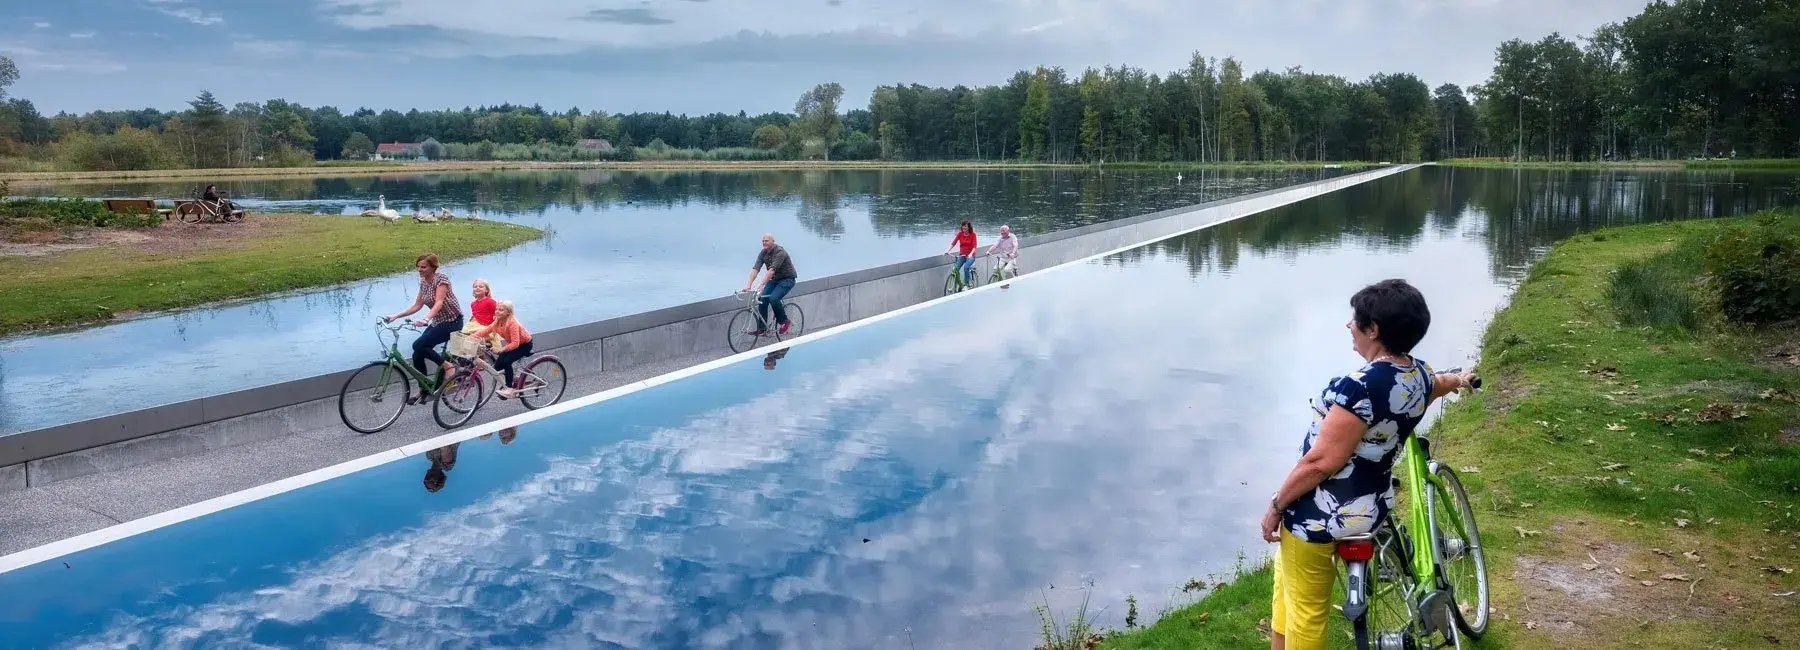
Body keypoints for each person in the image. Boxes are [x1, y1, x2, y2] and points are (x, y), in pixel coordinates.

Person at [1259, 279, 1474, 650]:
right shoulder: (1418, 375)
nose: (1349, 325)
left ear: (1373, 330)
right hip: (1371, 510)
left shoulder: (1358, 387)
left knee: (1307, 613)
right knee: (1285, 577)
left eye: (1355, 320)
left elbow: (1320, 463)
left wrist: (1276, 507)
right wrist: (1460, 379)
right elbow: (1440, 383)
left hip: (1320, 516)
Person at [383, 253, 464, 403]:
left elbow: (439, 302)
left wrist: (426, 318)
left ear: (433, 267)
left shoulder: (441, 279)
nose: (420, 270)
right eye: (418, 267)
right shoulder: (423, 282)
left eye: (423, 267)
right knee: (417, 354)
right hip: (438, 322)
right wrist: (396, 316)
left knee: (418, 345)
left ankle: (448, 366)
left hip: (452, 321)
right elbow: (417, 305)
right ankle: (425, 390)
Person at [472, 300, 533, 399]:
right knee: (497, 366)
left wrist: (501, 349)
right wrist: (472, 337)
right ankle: (511, 379)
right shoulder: (498, 320)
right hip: (513, 345)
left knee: (507, 362)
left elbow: (515, 343)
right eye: (497, 309)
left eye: (501, 310)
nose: (497, 311)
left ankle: (509, 388)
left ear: (508, 312)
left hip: (524, 345)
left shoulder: (512, 323)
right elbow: (487, 330)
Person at [743, 233, 797, 335]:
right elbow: (756, 269)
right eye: (763, 241)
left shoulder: (780, 252)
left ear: (773, 241)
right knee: (762, 299)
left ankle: (785, 322)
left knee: (774, 298)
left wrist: (761, 284)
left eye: (766, 241)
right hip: (774, 280)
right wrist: (748, 285)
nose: (764, 243)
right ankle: (762, 329)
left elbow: (771, 271)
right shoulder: (763, 253)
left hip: (787, 279)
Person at [461, 279, 503, 350]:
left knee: (477, 337)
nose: (477, 288)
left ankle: (487, 344)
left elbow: (498, 314)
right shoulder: (473, 304)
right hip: (475, 325)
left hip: (486, 326)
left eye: (481, 286)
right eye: (475, 286)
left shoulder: (490, 302)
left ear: (486, 290)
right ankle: (476, 353)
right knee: (465, 334)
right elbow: (475, 315)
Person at [944, 220, 979, 286]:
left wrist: (970, 254)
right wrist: (948, 251)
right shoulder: (960, 234)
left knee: (966, 267)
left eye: (965, 226)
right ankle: (960, 284)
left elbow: (974, 246)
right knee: (956, 269)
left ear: (969, 227)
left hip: (970, 256)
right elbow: (954, 243)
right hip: (962, 255)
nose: (964, 227)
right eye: (963, 226)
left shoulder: (973, 234)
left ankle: (967, 284)